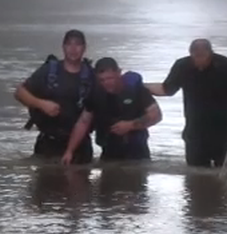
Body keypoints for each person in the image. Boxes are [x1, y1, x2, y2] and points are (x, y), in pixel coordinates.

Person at [145, 38, 227, 168]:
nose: (199, 61)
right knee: (195, 177)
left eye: (203, 56)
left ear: (210, 53)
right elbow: (166, 89)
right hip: (194, 132)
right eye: (196, 57)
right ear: (190, 54)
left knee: (226, 176)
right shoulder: (182, 66)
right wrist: (140, 86)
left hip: (222, 132)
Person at [14, 29, 95, 163]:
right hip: (48, 143)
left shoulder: (92, 76)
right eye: (69, 44)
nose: (73, 49)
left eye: (78, 44)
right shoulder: (49, 71)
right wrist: (41, 104)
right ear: (63, 47)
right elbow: (19, 93)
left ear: (84, 48)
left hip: (81, 146)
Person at [61, 57, 162, 163]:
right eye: (102, 80)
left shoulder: (136, 90)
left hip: (137, 154)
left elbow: (156, 115)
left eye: (110, 78)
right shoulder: (96, 94)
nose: (107, 83)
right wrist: (69, 151)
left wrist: (130, 125)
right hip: (109, 152)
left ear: (119, 73)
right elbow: (83, 122)